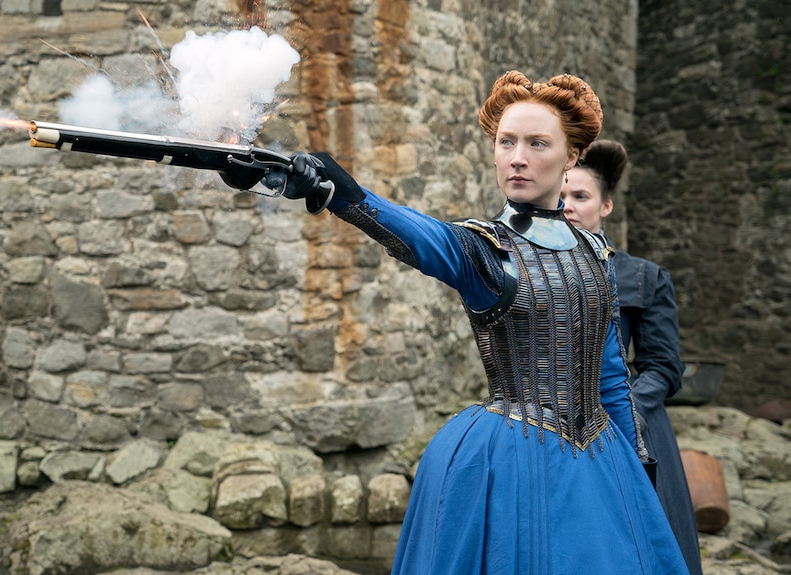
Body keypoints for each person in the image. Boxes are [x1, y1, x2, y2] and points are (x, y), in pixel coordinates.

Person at [268, 70, 689, 574]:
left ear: (572, 156)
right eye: (506, 142)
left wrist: (636, 476)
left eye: (537, 143)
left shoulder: (596, 254)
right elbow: (419, 235)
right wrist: (343, 192)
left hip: (601, 460)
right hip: (507, 457)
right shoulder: (483, 249)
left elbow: (611, 378)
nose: (517, 157)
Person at [561, 139, 703, 575]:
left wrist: (621, 410)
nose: (567, 206)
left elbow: (663, 367)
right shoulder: (524, 269)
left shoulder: (643, 276)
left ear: (605, 206)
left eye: (580, 196)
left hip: (628, 425)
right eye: (561, 195)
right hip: (547, 423)